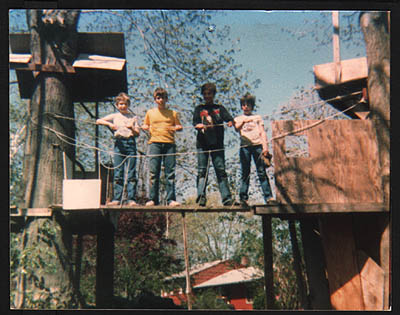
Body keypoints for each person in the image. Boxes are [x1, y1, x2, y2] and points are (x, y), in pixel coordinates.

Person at [193, 83, 237, 206]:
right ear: (202, 95)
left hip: (217, 144)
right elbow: (195, 122)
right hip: (202, 145)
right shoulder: (199, 109)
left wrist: (229, 122)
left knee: (221, 171)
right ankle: (201, 197)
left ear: (213, 94)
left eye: (210, 94)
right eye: (205, 94)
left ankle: (227, 198)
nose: (207, 96)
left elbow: (229, 118)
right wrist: (199, 126)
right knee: (202, 171)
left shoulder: (219, 108)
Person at [96, 92, 140, 206]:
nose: (123, 106)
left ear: (128, 105)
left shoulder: (133, 117)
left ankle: (131, 199)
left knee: (131, 173)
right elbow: (98, 120)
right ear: (117, 105)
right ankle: (117, 198)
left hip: (130, 143)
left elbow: (137, 133)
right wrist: (109, 125)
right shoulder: (115, 116)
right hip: (118, 143)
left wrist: (132, 128)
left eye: (125, 104)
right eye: (120, 104)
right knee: (118, 172)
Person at [142, 88, 182, 207]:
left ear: (166, 99)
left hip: (169, 144)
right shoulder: (150, 112)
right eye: (158, 98)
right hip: (154, 143)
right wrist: (145, 127)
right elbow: (145, 124)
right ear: (155, 100)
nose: (161, 100)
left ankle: (171, 200)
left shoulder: (173, 113)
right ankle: (153, 199)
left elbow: (179, 126)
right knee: (154, 172)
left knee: (170, 173)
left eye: (163, 98)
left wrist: (177, 128)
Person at [234, 93, 274, 206]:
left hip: (257, 146)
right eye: (243, 105)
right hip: (245, 147)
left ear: (252, 106)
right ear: (241, 106)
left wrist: (265, 147)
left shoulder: (257, 117)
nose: (246, 107)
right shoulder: (238, 118)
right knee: (245, 172)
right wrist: (244, 121)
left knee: (261, 171)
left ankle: (269, 197)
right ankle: (243, 198)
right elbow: (236, 128)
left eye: (248, 105)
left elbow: (262, 132)